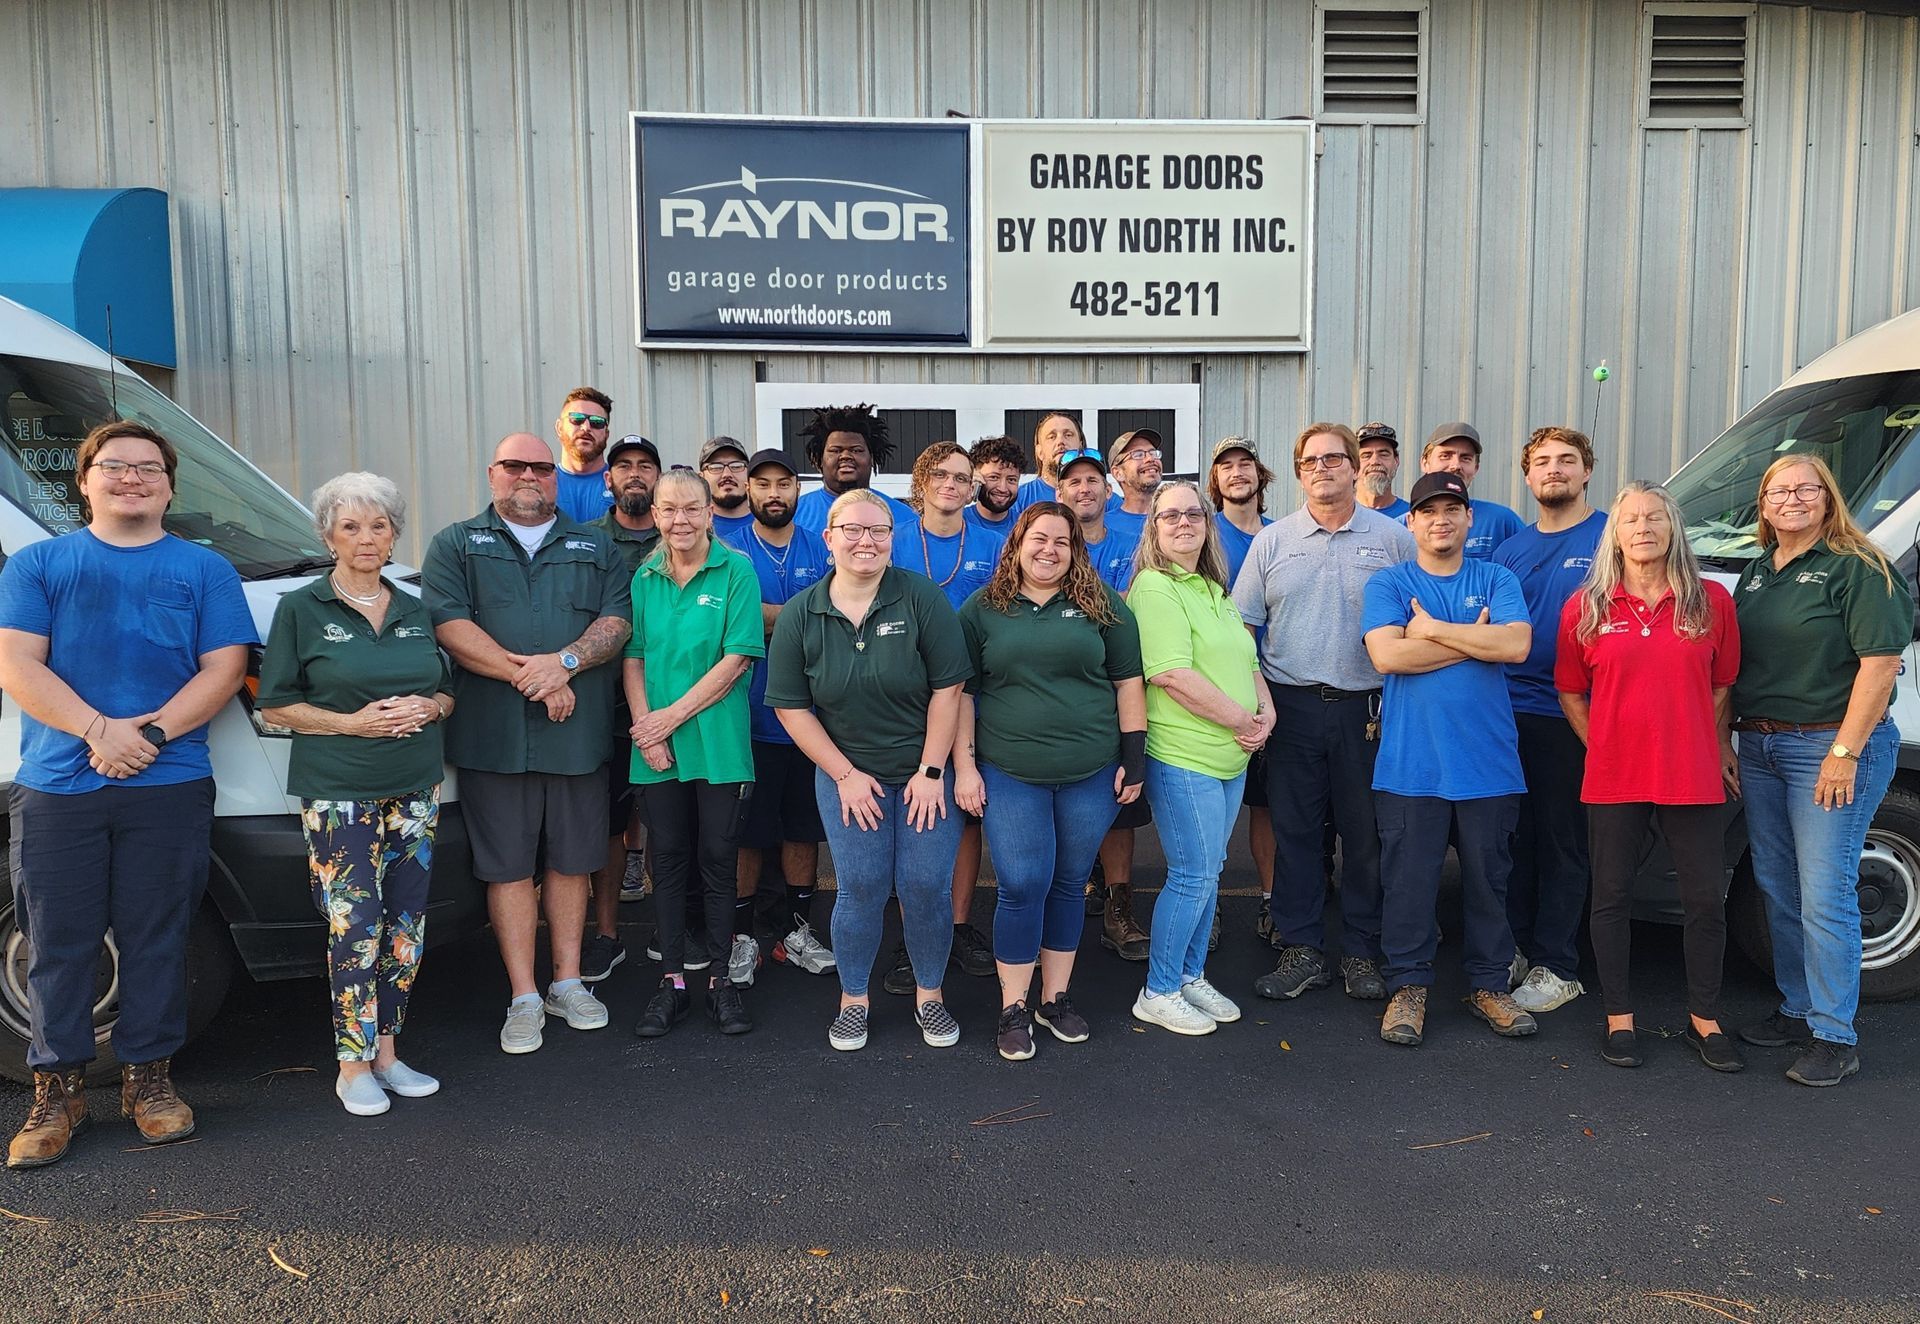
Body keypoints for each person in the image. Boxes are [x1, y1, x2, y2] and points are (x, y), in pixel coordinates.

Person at [0, 421, 254, 1168]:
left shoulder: (205, 571)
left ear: (170, 487)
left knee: (157, 936)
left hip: (168, 781)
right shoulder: (38, 564)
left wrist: (150, 736)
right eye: (114, 466)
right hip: (59, 784)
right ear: (84, 481)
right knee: (57, 942)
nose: (132, 478)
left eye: (148, 468)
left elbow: (223, 667)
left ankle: (150, 1082)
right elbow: (16, 665)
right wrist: (98, 732)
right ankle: (57, 1093)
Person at [421, 433, 632, 1055]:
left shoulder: (595, 545)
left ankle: (567, 982)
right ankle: (523, 995)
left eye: (541, 467)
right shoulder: (456, 544)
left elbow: (616, 621)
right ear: (493, 473)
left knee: (572, 861)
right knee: (508, 867)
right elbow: (450, 625)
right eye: (515, 466)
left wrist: (564, 663)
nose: (528, 476)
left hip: (576, 736)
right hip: (495, 737)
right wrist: (535, 679)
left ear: (555, 477)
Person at [257, 472, 455, 1116]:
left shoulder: (414, 608)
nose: (366, 538)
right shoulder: (301, 608)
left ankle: (389, 1055)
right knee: (356, 923)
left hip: (414, 788)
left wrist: (430, 706)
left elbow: (448, 691)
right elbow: (276, 705)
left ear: (394, 534)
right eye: (351, 527)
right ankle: (352, 1064)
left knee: (405, 924)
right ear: (328, 536)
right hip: (339, 789)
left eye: (379, 526)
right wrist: (352, 724)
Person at [767, 491, 971, 1052]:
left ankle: (930, 996)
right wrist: (844, 775)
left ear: (891, 538)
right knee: (860, 888)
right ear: (828, 538)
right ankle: (853, 1001)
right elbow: (791, 707)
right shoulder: (802, 613)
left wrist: (932, 771)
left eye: (879, 530)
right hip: (849, 776)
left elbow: (949, 688)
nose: (867, 541)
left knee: (925, 887)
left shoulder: (921, 597)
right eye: (853, 530)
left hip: (925, 773)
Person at [1731, 455, 1911, 1087]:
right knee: (1778, 886)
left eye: (1805, 489)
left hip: (1828, 748)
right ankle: (1798, 1007)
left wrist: (1844, 753)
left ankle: (1835, 1036)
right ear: (1763, 504)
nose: (1792, 499)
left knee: (1825, 892)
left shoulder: (1860, 568)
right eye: (1778, 490)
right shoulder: (1757, 572)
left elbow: (1880, 667)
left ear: (1828, 497)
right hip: (1762, 746)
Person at [1555, 482, 1741, 1071]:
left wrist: (1703, 738)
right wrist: (1606, 744)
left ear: (1673, 529)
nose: (1643, 528)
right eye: (1631, 519)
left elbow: (1722, 685)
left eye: (1655, 517)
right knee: (1611, 896)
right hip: (1615, 778)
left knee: (1704, 899)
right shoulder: (1585, 607)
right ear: (1615, 534)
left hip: (1691, 773)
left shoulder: (1711, 601)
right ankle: (1619, 1017)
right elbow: (1570, 691)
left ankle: (1704, 1018)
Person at [954, 503, 1147, 1061]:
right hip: (1010, 771)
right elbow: (961, 694)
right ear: (1017, 544)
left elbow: (1129, 684)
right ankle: (1012, 1006)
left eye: (1062, 542)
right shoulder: (982, 609)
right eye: (1038, 539)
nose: (1049, 550)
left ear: (1075, 550)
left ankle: (1054, 998)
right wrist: (965, 767)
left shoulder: (1102, 604)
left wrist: (1134, 760)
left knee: (1068, 882)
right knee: (1021, 883)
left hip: (1091, 772)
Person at [1233, 424, 1413, 1004]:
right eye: (1310, 461)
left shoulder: (1393, 540)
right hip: (1291, 707)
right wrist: (1257, 702)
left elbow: (1418, 620)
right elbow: (1243, 629)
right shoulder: (1272, 541)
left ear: (1355, 467)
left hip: (1369, 709)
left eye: (1334, 459)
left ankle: (1361, 949)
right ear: (1298, 472)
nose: (1322, 469)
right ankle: (1302, 948)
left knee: (1365, 836)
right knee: (1296, 833)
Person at [1362, 472, 1537, 1046]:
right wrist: (1472, 640)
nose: (1441, 520)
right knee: (1408, 885)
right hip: (1411, 766)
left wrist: (1433, 630)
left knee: (1490, 882)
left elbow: (1515, 645)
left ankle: (1489, 985)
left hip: (1488, 765)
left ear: (1469, 519)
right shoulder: (1390, 582)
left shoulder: (1497, 577)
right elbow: (1388, 657)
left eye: (1452, 510)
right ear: (1410, 522)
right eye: (1429, 511)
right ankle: (1408, 988)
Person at [624, 470, 764, 1038]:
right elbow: (634, 656)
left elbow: (737, 659)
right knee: (668, 859)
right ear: (655, 515)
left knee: (717, 859)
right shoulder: (645, 576)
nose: (679, 520)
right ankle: (673, 982)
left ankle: (722, 983)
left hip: (718, 742)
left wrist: (668, 720)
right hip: (654, 744)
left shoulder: (736, 571)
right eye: (668, 509)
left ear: (710, 513)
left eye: (690, 509)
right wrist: (647, 729)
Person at [1128, 484, 1272, 1034]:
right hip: (1185, 755)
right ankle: (1158, 989)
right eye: (1170, 516)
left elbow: (1248, 662)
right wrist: (1243, 721)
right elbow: (1170, 673)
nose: (1183, 522)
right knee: (1191, 875)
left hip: (1230, 757)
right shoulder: (1155, 586)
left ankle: (1190, 975)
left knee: (1209, 872)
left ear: (1208, 525)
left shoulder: (1214, 589)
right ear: (1154, 528)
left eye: (1193, 513)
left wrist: (1266, 712)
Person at [1495, 426, 1608, 1014]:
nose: (1554, 470)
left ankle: (1558, 964)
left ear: (1587, 471)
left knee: (1564, 840)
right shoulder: (1510, 550)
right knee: (1513, 839)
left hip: (1575, 713)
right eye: (1542, 462)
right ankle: (1514, 947)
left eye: (1567, 460)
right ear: (1527, 475)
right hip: (1508, 712)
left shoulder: (1613, 537)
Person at [715, 449, 836, 985]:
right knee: (747, 833)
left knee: (801, 829)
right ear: (748, 489)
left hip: (813, 720)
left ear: (797, 489)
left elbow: (838, 612)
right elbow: (731, 618)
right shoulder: (729, 550)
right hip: (747, 717)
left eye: (783, 483)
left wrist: (770, 619)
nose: (773, 493)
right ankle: (742, 938)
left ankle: (795, 933)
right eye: (761, 483)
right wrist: (800, 616)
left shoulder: (820, 545)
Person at [891, 442, 1007, 984]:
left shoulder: (994, 544)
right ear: (921, 481)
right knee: (910, 813)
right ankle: (911, 935)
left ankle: (957, 926)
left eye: (963, 478)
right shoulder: (893, 538)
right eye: (941, 474)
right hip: (902, 695)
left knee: (962, 812)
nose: (952, 485)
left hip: (972, 695)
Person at [1056, 447, 1150, 958]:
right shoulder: (1044, 546)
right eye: (1073, 481)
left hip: (1118, 689)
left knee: (1120, 805)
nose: (1084, 488)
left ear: (1107, 489)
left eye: (1092, 479)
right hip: (1058, 696)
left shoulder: (1133, 545)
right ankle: (1062, 901)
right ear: (1059, 492)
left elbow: (1136, 613)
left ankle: (1119, 907)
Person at [582, 435, 662, 984]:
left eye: (646, 466)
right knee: (609, 829)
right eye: (624, 466)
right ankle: (606, 935)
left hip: (670, 707)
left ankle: (666, 928)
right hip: (604, 708)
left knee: (666, 825)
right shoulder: (585, 540)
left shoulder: (680, 536)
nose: (635, 474)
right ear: (607, 478)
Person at [1207, 436, 1277, 935]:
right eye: (1226, 466)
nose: (1237, 472)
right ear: (1216, 479)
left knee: (1267, 804)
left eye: (1245, 464)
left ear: (1260, 474)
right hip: (1215, 689)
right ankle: (1205, 901)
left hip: (1274, 684)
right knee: (1211, 807)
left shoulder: (1282, 535)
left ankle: (1272, 901)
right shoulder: (1202, 533)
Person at [793, 404, 917, 534]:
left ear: (872, 458)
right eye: (835, 450)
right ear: (819, 460)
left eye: (856, 450)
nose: (846, 456)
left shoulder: (905, 518)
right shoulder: (793, 515)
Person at [1419, 423, 1523, 558]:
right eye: (1445, 456)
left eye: (1465, 458)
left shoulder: (1501, 521)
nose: (1456, 465)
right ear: (1425, 463)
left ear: (1476, 468)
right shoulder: (1402, 526)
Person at [553, 387, 616, 523]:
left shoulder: (620, 484)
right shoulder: (542, 482)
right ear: (559, 428)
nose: (586, 427)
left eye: (597, 422)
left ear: (606, 434)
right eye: (576, 419)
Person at [1103, 428, 1164, 543]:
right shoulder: (1103, 527)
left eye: (1153, 453)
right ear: (1118, 473)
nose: (1150, 459)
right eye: (1138, 455)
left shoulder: (1178, 518)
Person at [699, 436, 756, 544]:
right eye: (716, 467)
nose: (727, 474)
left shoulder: (768, 524)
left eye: (736, 466)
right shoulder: (694, 529)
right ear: (701, 478)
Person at [966, 435, 1025, 533]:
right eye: (994, 477)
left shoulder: (1025, 527)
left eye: (1011, 480)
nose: (1002, 488)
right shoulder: (958, 522)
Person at [1356, 422, 1410, 519]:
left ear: (1396, 461)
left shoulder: (1411, 517)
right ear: (1353, 463)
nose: (1375, 461)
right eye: (1366, 455)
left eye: (1384, 454)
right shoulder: (1340, 515)